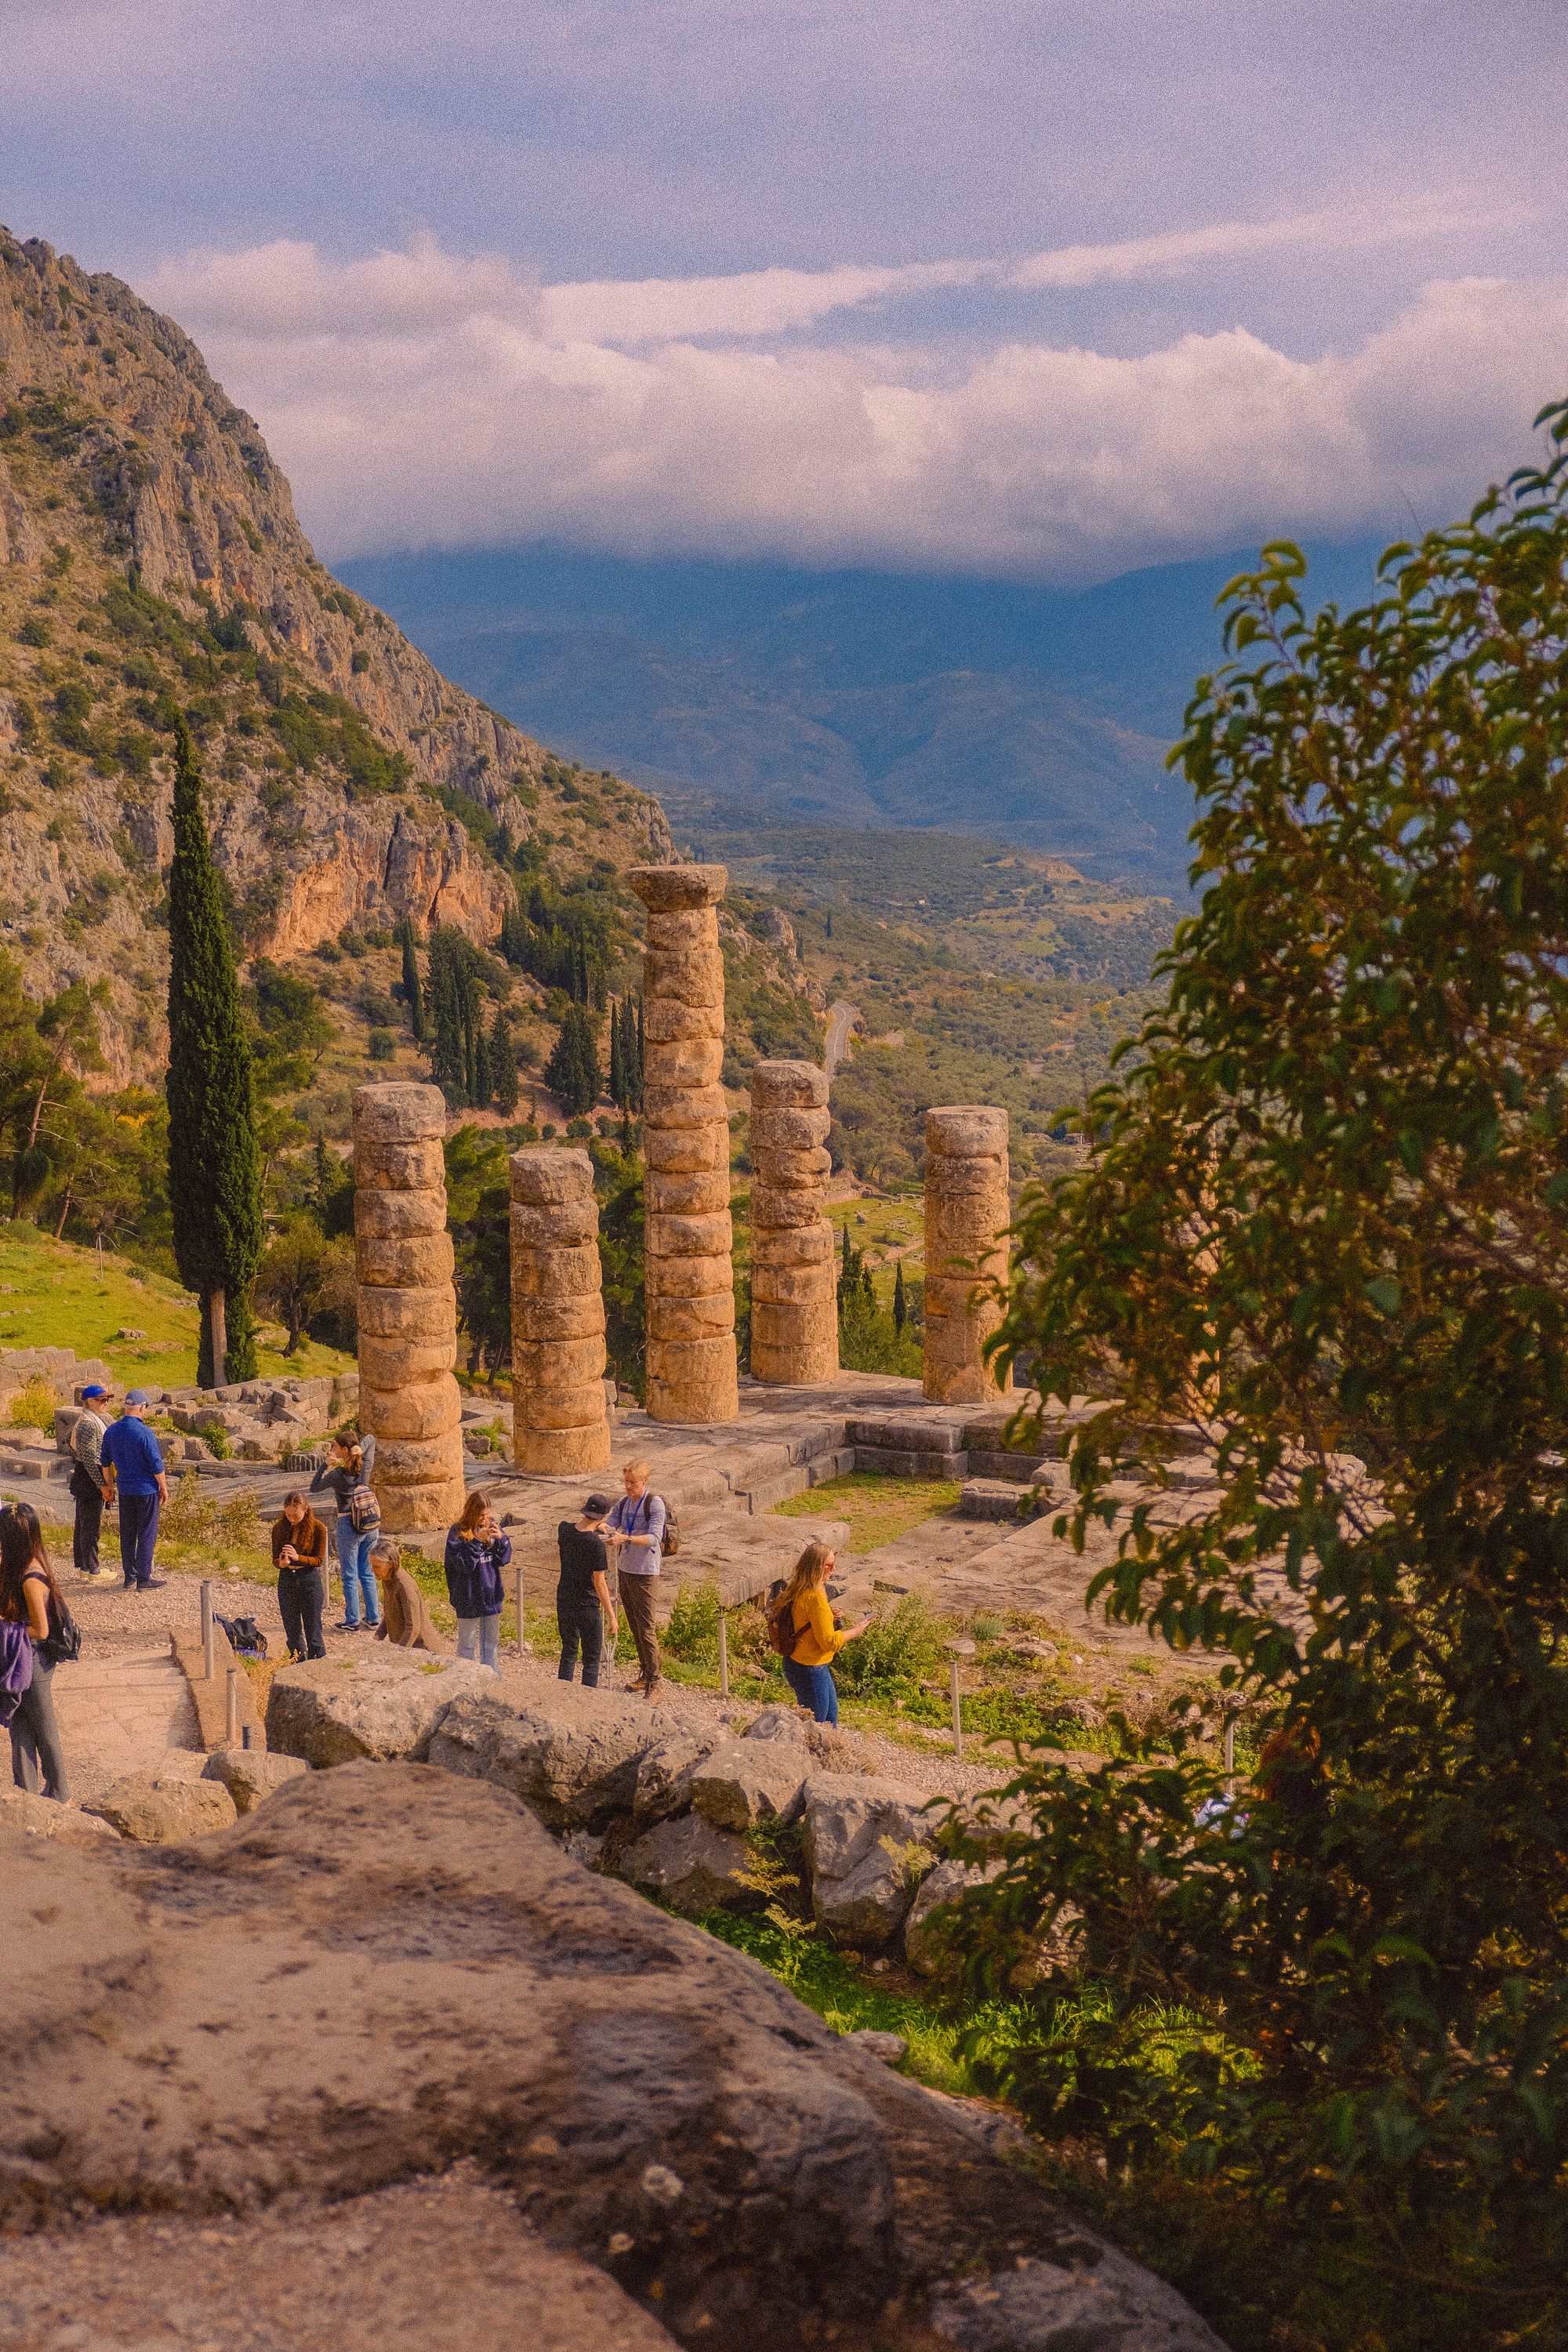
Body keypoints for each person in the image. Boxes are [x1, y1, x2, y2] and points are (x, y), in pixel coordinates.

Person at [1, 1502, 70, 1798]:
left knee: (45, 1731)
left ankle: (60, 1793)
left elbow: (41, 1631)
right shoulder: (14, 1567)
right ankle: (25, 1793)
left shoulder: (31, 1579)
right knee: (20, 1731)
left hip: (35, 1661)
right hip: (18, 1659)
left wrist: (4, 1631)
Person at [771, 1538, 870, 1726]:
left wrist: (829, 1618)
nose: (833, 1570)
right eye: (830, 1565)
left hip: (800, 1662)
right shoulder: (816, 1596)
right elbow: (829, 1642)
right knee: (816, 1724)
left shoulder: (799, 1587)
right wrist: (855, 1631)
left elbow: (803, 1619)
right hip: (810, 1668)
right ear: (818, 1567)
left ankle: (823, 1753)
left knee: (829, 1719)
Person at [601, 1458, 666, 1697]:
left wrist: (625, 1538)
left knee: (647, 1627)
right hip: (626, 1568)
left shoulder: (654, 1504)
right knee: (635, 1625)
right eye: (626, 1482)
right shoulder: (624, 1503)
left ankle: (656, 1682)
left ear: (644, 1481)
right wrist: (604, 1528)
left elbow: (653, 1539)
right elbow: (610, 1523)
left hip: (646, 1571)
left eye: (632, 1483)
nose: (628, 1487)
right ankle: (645, 1673)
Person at [311, 1428, 381, 1632]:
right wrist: (361, 1448)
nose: (332, 1448)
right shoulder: (364, 1467)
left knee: (349, 1575)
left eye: (334, 1446)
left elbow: (314, 1487)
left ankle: (352, 1621)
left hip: (348, 1526)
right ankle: (373, 1618)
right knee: (367, 1572)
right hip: (369, 1525)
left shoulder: (337, 1474)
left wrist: (325, 1465)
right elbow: (372, 1439)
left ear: (343, 1449)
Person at [99, 1389, 168, 1592]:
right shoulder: (145, 1432)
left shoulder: (111, 1431)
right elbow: (157, 1465)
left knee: (127, 1532)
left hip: (126, 1489)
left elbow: (104, 1463)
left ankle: (129, 1576)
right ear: (141, 1408)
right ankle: (144, 1577)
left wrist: (110, 1486)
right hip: (146, 1489)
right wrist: (164, 1488)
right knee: (147, 1532)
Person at [444, 1490, 511, 1674]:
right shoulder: (457, 1532)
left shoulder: (491, 1526)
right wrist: (477, 1541)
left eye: (487, 1515)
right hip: (467, 1596)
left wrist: (502, 1541)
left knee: (491, 1644)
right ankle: (465, 1680)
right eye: (481, 1515)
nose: (484, 1519)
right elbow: (462, 1565)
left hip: (491, 1595)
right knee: (467, 1644)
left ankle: (493, 1680)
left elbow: (504, 1559)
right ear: (471, 1512)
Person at [556, 1494, 616, 1687]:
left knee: (569, 1651)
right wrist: (611, 1614)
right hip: (587, 1605)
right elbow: (600, 1583)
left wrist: (596, 1525)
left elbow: (578, 1527)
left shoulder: (563, 1530)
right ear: (604, 1517)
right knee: (591, 1658)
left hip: (565, 1599)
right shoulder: (596, 1545)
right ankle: (587, 1700)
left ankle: (562, 1693)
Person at [270, 1490, 328, 1662]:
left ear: (306, 1510)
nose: (292, 1520)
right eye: (288, 1515)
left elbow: (318, 1560)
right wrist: (281, 1563)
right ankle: (298, 1660)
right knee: (292, 1628)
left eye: (295, 1516)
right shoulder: (279, 1528)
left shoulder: (318, 1528)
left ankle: (318, 1663)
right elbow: (274, 1558)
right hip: (287, 1579)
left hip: (308, 1579)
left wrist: (298, 1558)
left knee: (313, 1629)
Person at [370, 1539, 451, 1653]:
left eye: (376, 1567)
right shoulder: (387, 1579)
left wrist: (400, 1652)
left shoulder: (404, 1586)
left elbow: (413, 1627)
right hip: (407, 1646)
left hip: (422, 1649)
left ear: (390, 1564)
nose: (372, 1570)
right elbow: (390, 1612)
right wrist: (379, 1635)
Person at [68, 1383, 112, 1580]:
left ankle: (85, 1567)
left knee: (84, 1524)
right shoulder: (87, 1423)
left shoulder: (93, 1420)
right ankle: (92, 1568)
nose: (105, 1403)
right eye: (101, 1400)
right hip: (89, 1477)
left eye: (107, 1400)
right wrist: (102, 1484)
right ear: (89, 1402)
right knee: (90, 1525)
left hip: (87, 1476)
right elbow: (88, 1456)